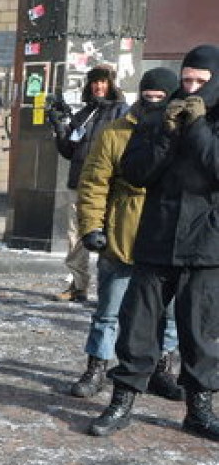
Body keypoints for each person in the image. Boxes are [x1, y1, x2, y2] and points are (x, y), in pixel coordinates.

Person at [90, 45, 219, 440]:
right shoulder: (161, 115)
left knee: (199, 330)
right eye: (186, 79)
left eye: (201, 81)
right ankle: (123, 399)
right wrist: (166, 132)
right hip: (157, 237)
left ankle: (198, 409)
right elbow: (135, 172)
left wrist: (197, 128)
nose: (191, 87)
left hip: (206, 242)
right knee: (137, 325)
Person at [70, 69, 182, 401]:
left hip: (168, 238)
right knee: (109, 310)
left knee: (170, 314)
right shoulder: (115, 132)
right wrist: (92, 226)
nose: (154, 102)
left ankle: (163, 367)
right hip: (122, 236)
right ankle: (97, 367)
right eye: (148, 95)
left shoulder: (185, 132)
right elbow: (93, 183)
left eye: (162, 97)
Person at [49, 65, 129, 302]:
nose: (98, 86)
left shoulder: (120, 112)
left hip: (108, 187)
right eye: (95, 82)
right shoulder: (85, 113)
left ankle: (113, 292)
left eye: (103, 82)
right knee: (76, 240)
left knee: (111, 239)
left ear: (112, 84)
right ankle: (79, 285)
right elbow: (69, 150)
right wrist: (59, 125)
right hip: (79, 186)